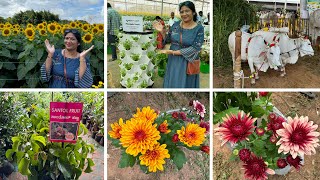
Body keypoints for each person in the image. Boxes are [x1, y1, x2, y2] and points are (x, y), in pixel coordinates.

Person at [153, 1, 204, 88]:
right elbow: (168, 39)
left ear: (193, 12)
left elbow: (195, 48)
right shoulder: (176, 25)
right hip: (173, 61)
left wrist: (173, 52)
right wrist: (162, 31)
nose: (184, 14)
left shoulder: (199, 28)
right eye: (181, 12)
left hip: (188, 60)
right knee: (173, 81)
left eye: (187, 11)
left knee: (184, 84)